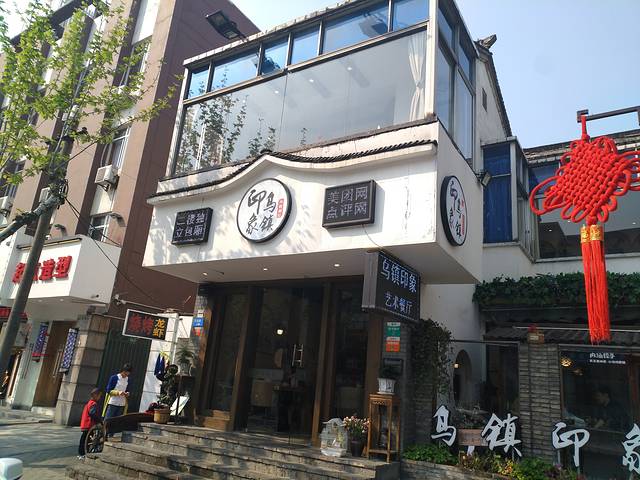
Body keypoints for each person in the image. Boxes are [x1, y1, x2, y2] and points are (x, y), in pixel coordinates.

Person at [78, 388, 102, 459]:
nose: (99, 397)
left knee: (83, 439)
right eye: (99, 396)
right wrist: (99, 421)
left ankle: (81, 453)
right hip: (89, 424)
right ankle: (83, 453)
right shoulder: (93, 404)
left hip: (85, 424)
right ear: (95, 395)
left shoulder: (89, 403)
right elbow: (92, 413)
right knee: (85, 440)